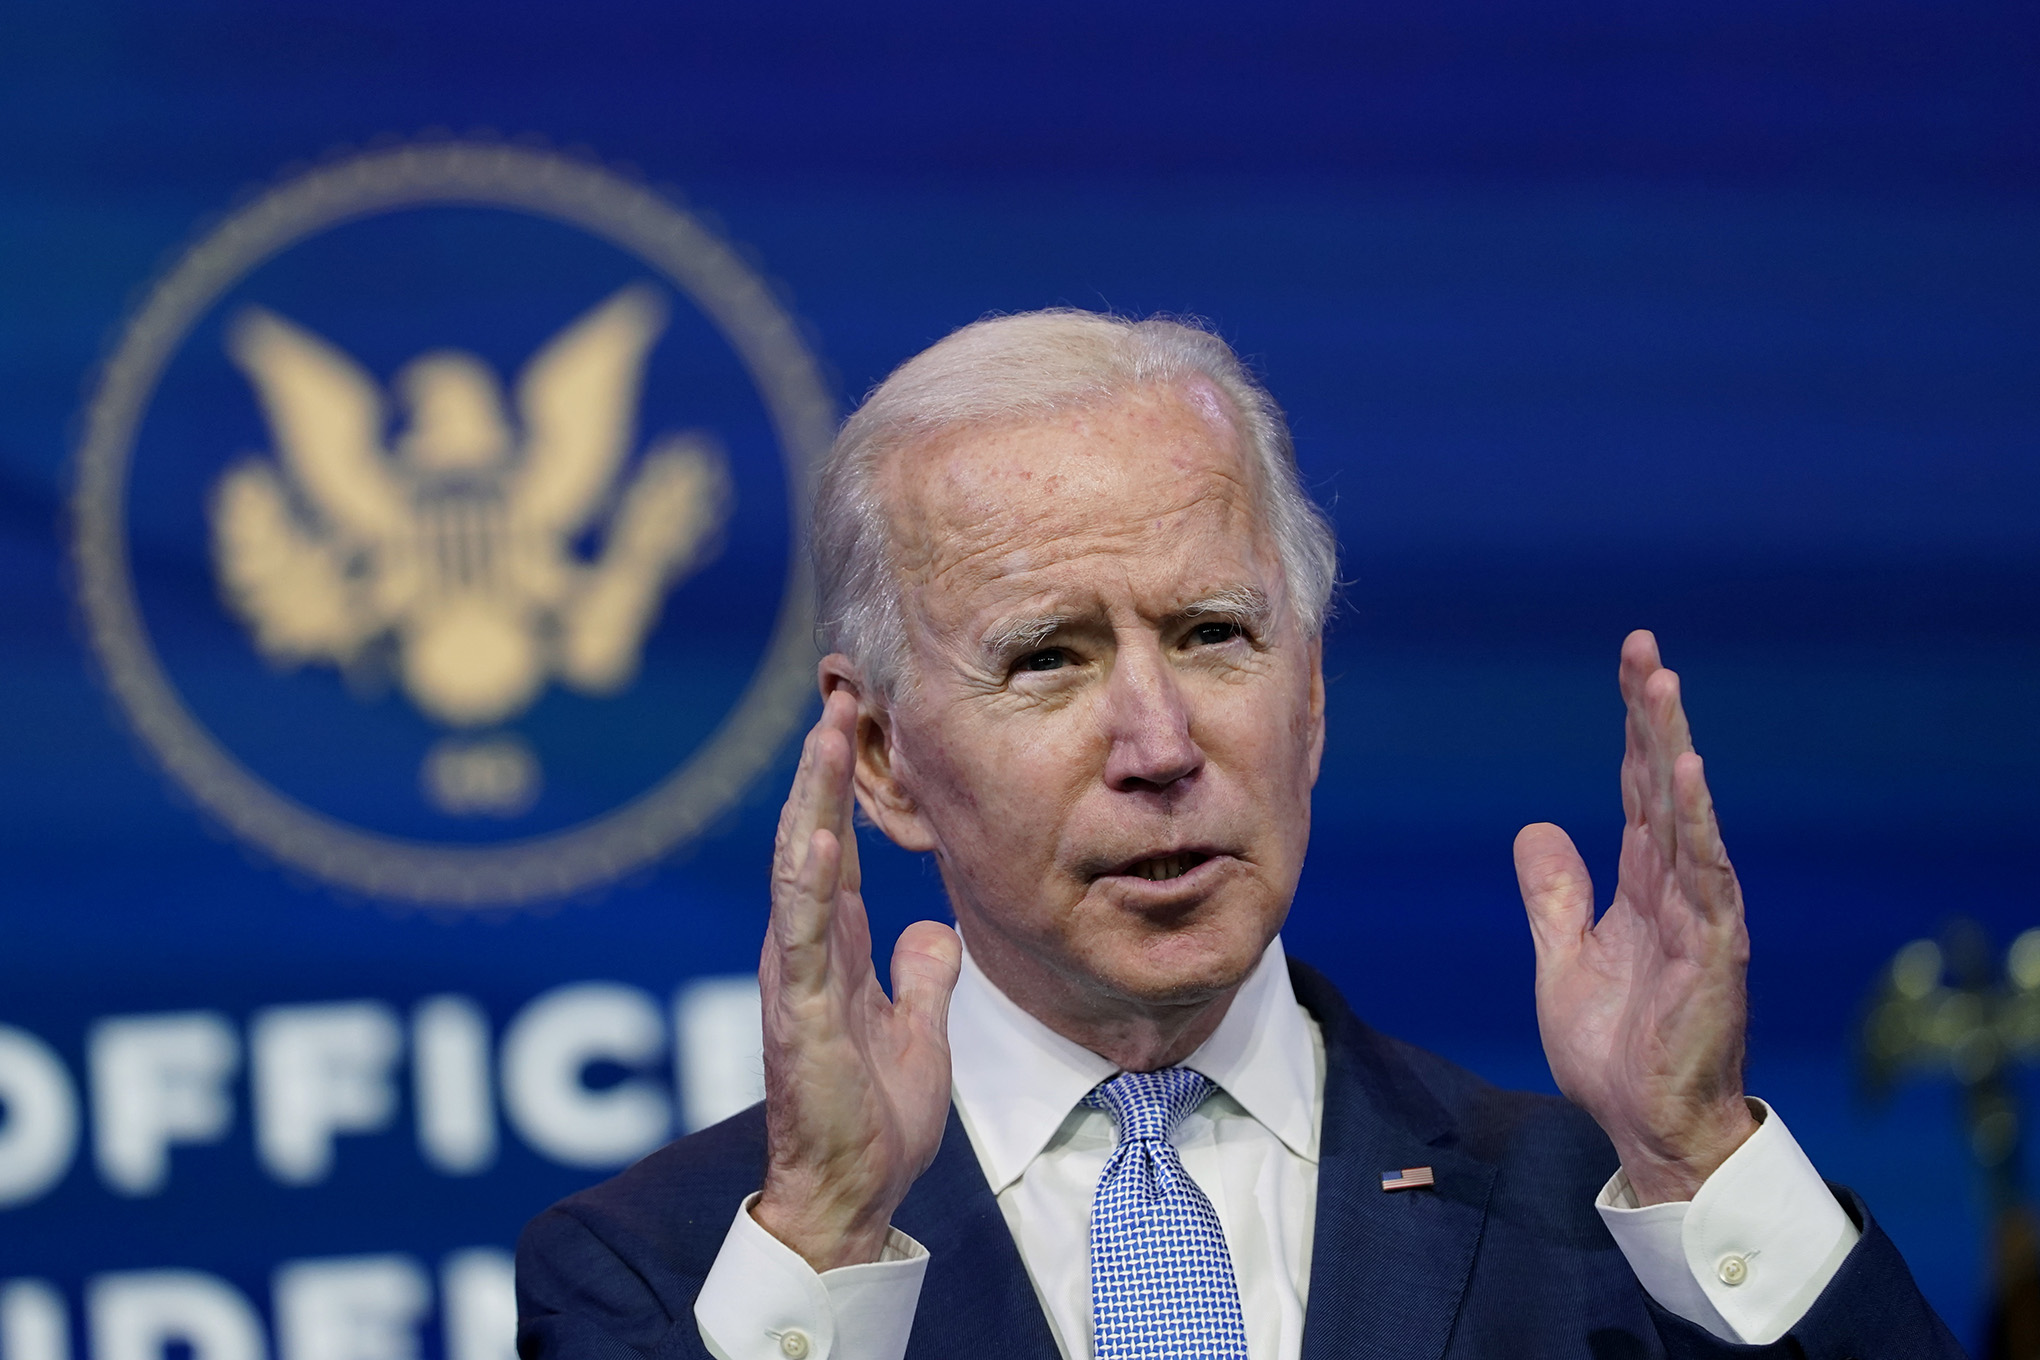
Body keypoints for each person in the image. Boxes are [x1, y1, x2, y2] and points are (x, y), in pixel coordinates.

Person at [517, 311, 1958, 1359]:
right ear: (882, 756)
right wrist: (829, 1244)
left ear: (1311, 697)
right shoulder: (670, 1276)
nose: (1158, 746)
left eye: (1214, 635)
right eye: (1050, 660)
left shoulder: (1607, 1216)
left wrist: (1700, 1152)